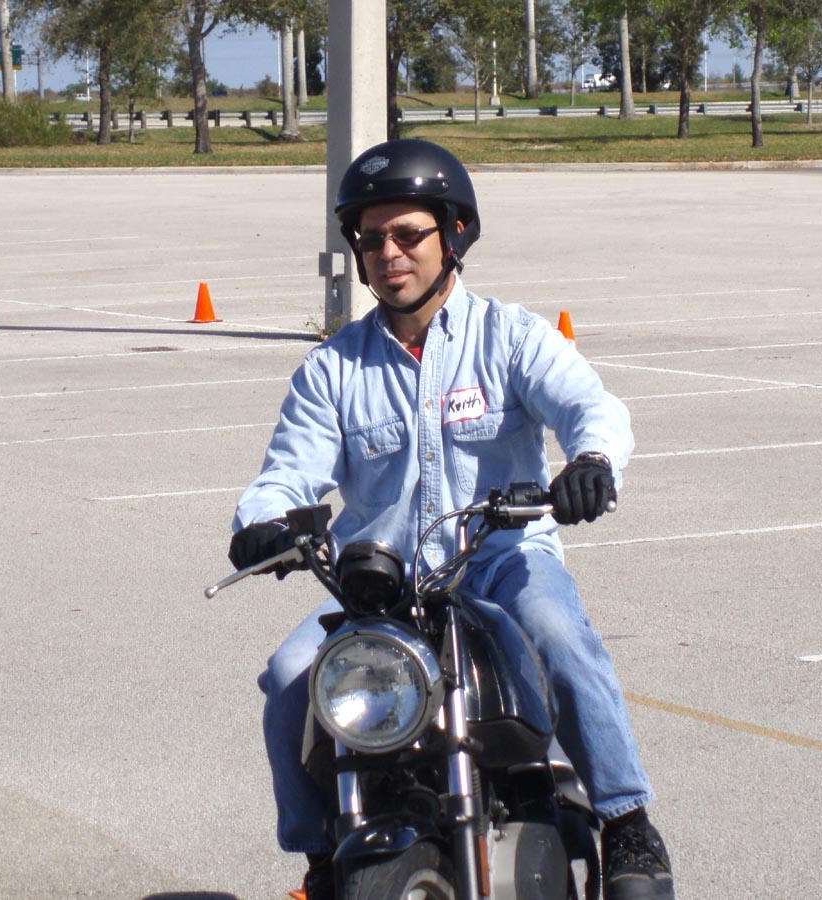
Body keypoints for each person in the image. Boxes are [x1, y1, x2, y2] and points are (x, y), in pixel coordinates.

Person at [228, 138, 674, 900]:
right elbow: (287, 472)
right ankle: (320, 855)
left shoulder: (512, 336)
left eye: (408, 235)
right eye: (372, 239)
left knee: (559, 633)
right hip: (382, 582)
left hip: (502, 560)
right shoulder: (333, 369)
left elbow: (589, 407)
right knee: (291, 675)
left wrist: (592, 462)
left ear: (455, 234)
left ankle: (626, 819)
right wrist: (264, 523)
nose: (388, 255)